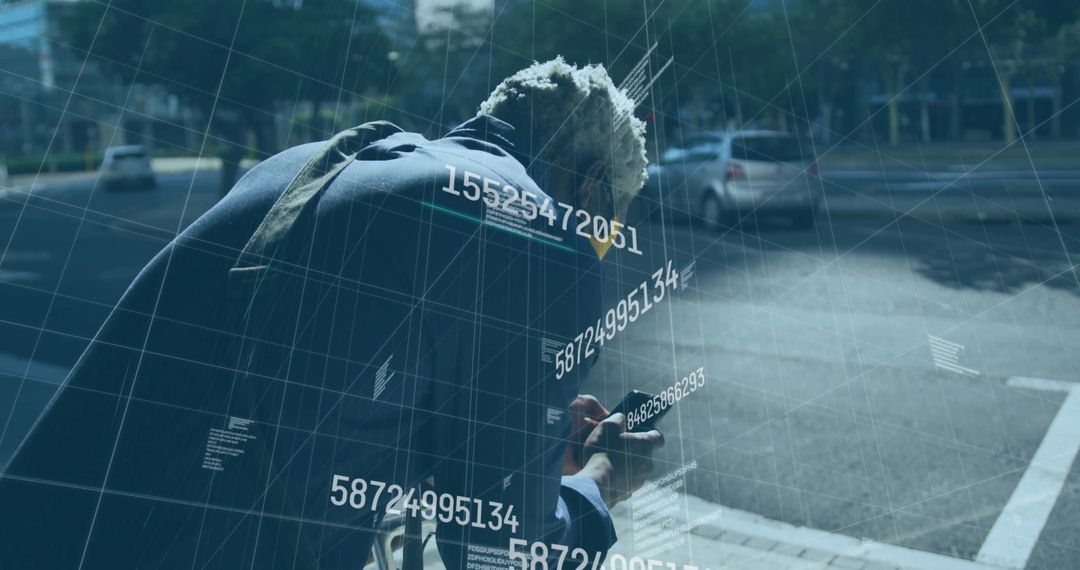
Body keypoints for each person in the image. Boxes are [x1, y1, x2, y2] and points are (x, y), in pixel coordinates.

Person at [0, 58, 662, 569]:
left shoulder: (311, 164)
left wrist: (522, 432)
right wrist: (600, 483)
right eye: (605, 233)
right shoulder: (538, 234)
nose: (595, 251)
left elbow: (319, 394)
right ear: (592, 183)